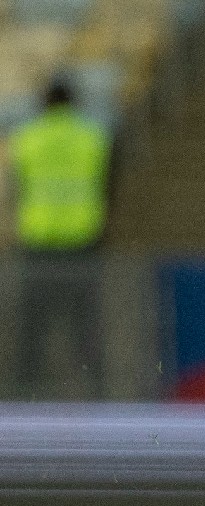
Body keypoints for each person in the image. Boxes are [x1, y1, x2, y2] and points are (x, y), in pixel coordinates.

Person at [7, 77, 112, 399]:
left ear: (44, 103)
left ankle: (24, 389)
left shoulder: (26, 138)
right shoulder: (93, 137)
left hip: (38, 240)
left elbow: (18, 189)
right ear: (73, 102)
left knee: (33, 321)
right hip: (83, 238)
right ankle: (97, 389)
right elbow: (106, 185)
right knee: (85, 321)